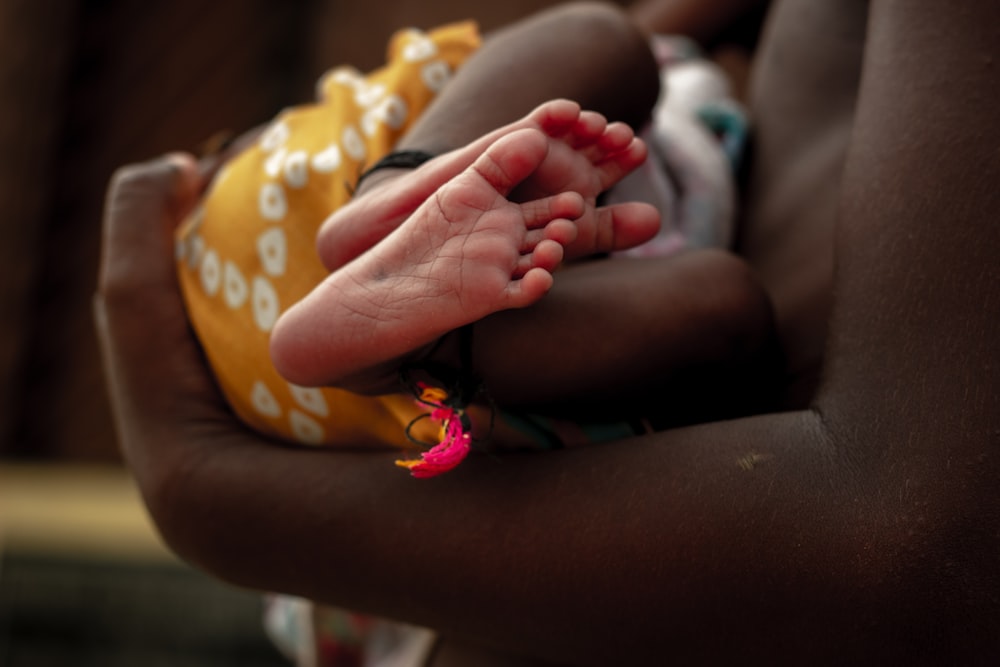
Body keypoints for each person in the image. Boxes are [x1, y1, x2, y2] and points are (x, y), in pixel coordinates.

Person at [96, 1, 1000, 664]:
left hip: (300, 323)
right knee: (601, 46)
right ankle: (399, 238)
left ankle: (418, 312)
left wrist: (210, 500)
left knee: (716, 305)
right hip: (478, 245)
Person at [177, 18, 763, 478]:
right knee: (605, 39)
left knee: (601, 41)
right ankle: (406, 313)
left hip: (245, 322)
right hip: (288, 220)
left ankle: (404, 249)